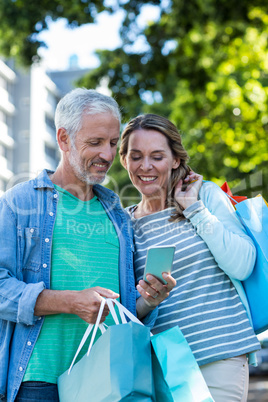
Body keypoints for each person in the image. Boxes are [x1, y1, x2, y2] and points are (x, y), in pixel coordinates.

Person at [0, 91, 176, 402]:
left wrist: (148, 301)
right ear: (64, 139)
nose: (107, 155)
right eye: (95, 143)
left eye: (112, 142)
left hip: (110, 382)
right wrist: (69, 302)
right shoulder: (21, 202)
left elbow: (124, 307)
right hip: (40, 383)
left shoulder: (118, 216)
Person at [119, 113, 261, 402]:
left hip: (221, 354)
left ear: (175, 159)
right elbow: (125, 310)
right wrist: (147, 301)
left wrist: (194, 209)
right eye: (136, 156)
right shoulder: (124, 224)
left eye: (157, 156)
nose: (145, 166)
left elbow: (243, 264)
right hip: (163, 365)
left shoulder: (205, 196)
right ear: (124, 160)